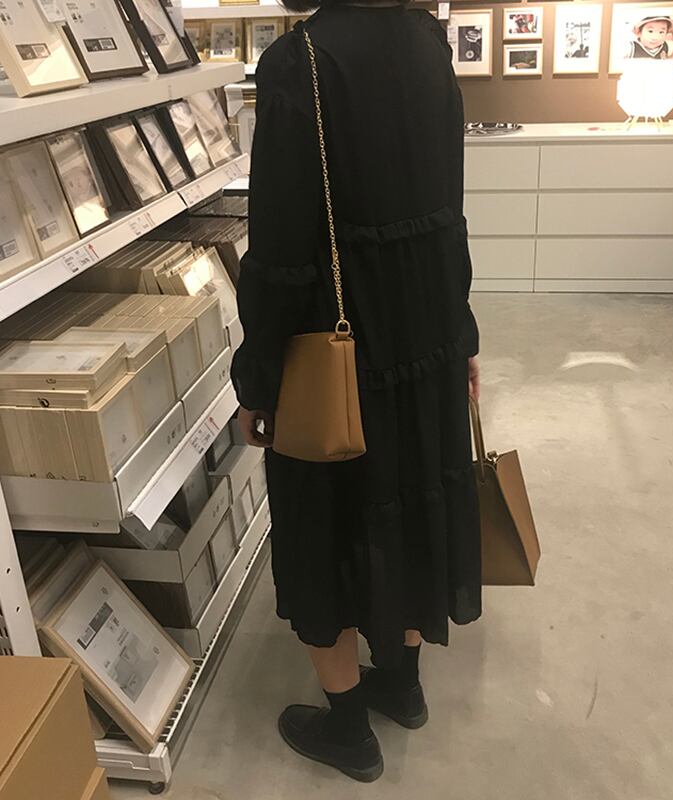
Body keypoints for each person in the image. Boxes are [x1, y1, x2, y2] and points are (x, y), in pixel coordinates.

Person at [231, 0, 482, 784]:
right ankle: (401, 687)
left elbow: (279, 251)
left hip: (332, 348)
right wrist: (464, 337)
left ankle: (347, 728)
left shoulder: (297, 63)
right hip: (426, 339)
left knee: (325, 528)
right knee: (409, 504)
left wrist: (256, 377)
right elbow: (451, 212)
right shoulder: (428, 45)